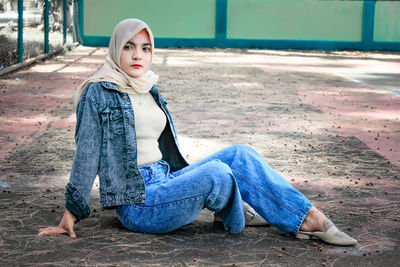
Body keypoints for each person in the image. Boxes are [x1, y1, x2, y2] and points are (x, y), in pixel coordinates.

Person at [38, 18, 357, 246]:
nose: (138, 55)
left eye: (146, 48)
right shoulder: (99, 91)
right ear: (116, 49)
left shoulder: (148, 88)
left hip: (165, 180)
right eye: (130, 47)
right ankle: (237, 215)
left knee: (239, 155)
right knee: (218, 174)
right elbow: (87, 151)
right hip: (138, 204)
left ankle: (307, 219)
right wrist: (71, 213)